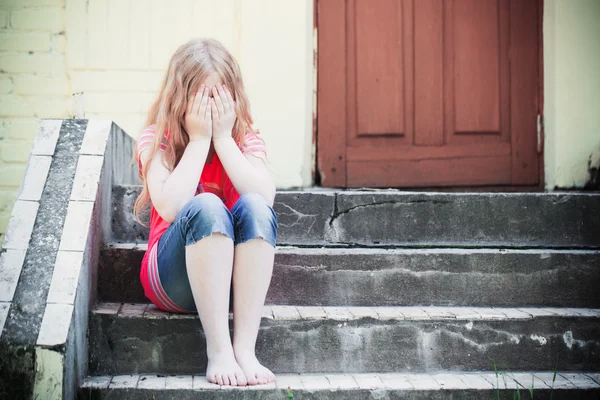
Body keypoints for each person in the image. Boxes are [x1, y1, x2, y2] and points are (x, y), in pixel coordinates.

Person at [133, 38, 278, 387]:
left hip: (229, 284)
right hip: (170, 279)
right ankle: (219, 350)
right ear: (179, 97)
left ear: (234, 97)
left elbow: (265, 200)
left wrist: (225, 140)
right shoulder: (158, 140)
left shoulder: (245, 140)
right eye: (201, 97)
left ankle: (244, 348)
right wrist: (199, 142)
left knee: (255, 204)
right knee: (207, 206)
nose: (210, 108)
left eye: (219, 97)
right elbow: (169, 206)